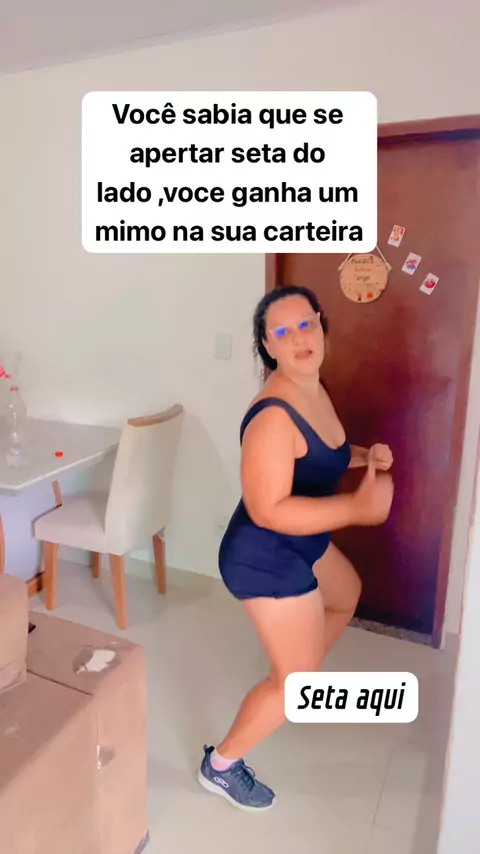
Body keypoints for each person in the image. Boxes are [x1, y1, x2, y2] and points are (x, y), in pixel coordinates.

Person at [198, 284, 394, 811]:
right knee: (295, 676)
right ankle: (221, 765)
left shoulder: (312, 385)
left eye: (305, 324)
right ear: (267, 346)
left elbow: (323, 453)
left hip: (299, 538)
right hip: (263, 555)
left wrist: (364, 457)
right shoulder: (272, 416)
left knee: (344, 594)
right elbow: (268, 510)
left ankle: (293, 680)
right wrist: (355, 509)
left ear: (321, 323)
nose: (298, 338)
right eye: (281, 332)